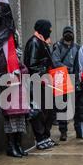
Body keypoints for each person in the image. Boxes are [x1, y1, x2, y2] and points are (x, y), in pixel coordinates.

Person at [0, 31, 30, 158]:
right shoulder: (3, 53)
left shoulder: (18, 52)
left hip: (20, 90)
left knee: (20, 121)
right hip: (9, 90)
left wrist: (21, 70)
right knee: (11, 121)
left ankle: (18, 145)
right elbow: (0, 71)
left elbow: (24, 69)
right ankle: (11, 146)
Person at [24, 20, 57, 150]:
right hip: (37, 83)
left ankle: (46, 136)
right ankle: (40, 138)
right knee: (39, 112)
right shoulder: (34, 42)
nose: (50, 31)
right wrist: (44, 71)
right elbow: (31, 65)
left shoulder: (42, 42)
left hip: (45, 82)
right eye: (49, 29)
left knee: (48, 111)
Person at [52, 26, 81, 141]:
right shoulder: (57, 46)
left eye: (70, 33)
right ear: (63, 35)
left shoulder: (77, 47)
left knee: (76, 106)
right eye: (66, 33)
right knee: (61, 107)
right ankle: (63, 131)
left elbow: (80, 62)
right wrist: (68, 69)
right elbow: (55, 61)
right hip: (61, 77)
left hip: (74, 78)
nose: (68, 35)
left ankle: (79, 130)